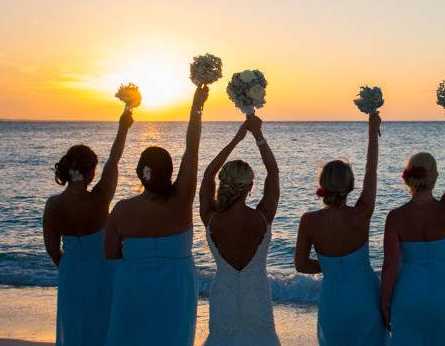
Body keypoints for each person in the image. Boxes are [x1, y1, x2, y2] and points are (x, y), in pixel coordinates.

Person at [103, 85, 208, 346]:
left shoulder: (122, 210)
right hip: (176, 288)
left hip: (133, 287)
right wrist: (197, 107)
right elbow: (192, 148)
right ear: (170, 172)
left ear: (141, 173)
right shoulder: (181, 201)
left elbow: (110, 254)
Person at [295, 112, 389, 346]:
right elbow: (372, 171)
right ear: (350, 186)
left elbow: (302, 264)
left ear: (322, 186)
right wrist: (372, 134)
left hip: (333, 298)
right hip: (364, 295)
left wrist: (331, 266)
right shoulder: (361, 214)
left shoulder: (309, 220)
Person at [43, 109, 133, 346]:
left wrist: (72, 266)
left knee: (73, 325)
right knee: (102, 324)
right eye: (94, 168)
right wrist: (123, 127)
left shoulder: (53, 205)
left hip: (71, 271)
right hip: (102, 270)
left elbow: (52, 249)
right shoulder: (100, 198)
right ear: (89, 172)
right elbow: (114, 159)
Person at [381, 108, 445, 346]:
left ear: (408, 178)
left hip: (409, 291)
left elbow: (390, 266)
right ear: (435, 177)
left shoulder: (395, 217)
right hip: (444, 288)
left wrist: (384, 303)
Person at [199, 114, 280, 346]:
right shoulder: (263, 216)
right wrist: (258, 136)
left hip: (222, 296)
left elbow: (207, 176)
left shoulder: (211, 218)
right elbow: (273, 173)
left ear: (223, 184)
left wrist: (237, 139)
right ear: (251, 186)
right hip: (257, 296)